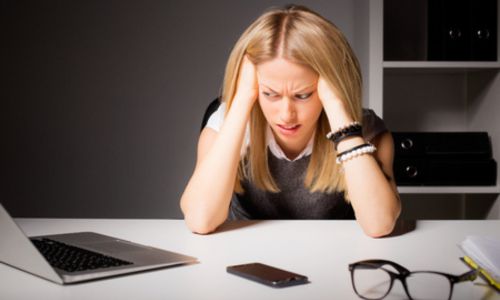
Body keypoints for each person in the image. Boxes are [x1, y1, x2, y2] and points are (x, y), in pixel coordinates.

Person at [180, 4, 401, 237]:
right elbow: (200, 219)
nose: (286, 114)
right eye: (270, 94)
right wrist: (242, 97)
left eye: (303, 95)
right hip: (246, 258)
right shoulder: (226, 123)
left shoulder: (366, 132)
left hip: (332, 258)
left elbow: (379, 224)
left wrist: (337, 107)